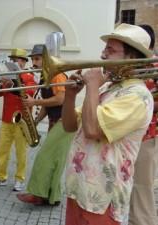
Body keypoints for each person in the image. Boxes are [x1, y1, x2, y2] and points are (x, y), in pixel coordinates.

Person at [62, 23, 154, 225]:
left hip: (103, 197)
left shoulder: (137, 96)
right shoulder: (109, 88)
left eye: (110, 50)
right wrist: (69, 96)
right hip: (79, 188)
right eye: (105, 49)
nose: (102, 55)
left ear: (132, 58)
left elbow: (92, 130)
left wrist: (92, 86)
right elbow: (69, 126)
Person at [16, 44, 69, 205]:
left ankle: (38, 194)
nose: (34, 62)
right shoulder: (46, 76)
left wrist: (34, 101)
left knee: (44, 158)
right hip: (56, 121)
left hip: (64, 121)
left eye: (37, 59)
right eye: (33, 59)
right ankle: (51, 197)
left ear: (46, 59)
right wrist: (36, 121)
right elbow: (47, 105)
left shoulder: (57, 75)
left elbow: (60, 99)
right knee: (54, 161)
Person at [0, 48, 36, 191]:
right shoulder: (8, 76)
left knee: (21, 152)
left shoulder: (29, 77)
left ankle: (20, 179)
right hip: (7, 119)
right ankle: (1, 177)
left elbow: (29, 94)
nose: (13, 62)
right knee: (1, 150)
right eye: (12, 60)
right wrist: (2, 84)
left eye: (16, 59)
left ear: (23, 62)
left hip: (22, 120)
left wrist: (14, 83)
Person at [128, 24, 158, 225]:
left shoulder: (155, 68)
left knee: (142, 189)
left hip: (147, 136)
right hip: (127, 135)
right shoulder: (132, 66)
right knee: (130, 188)